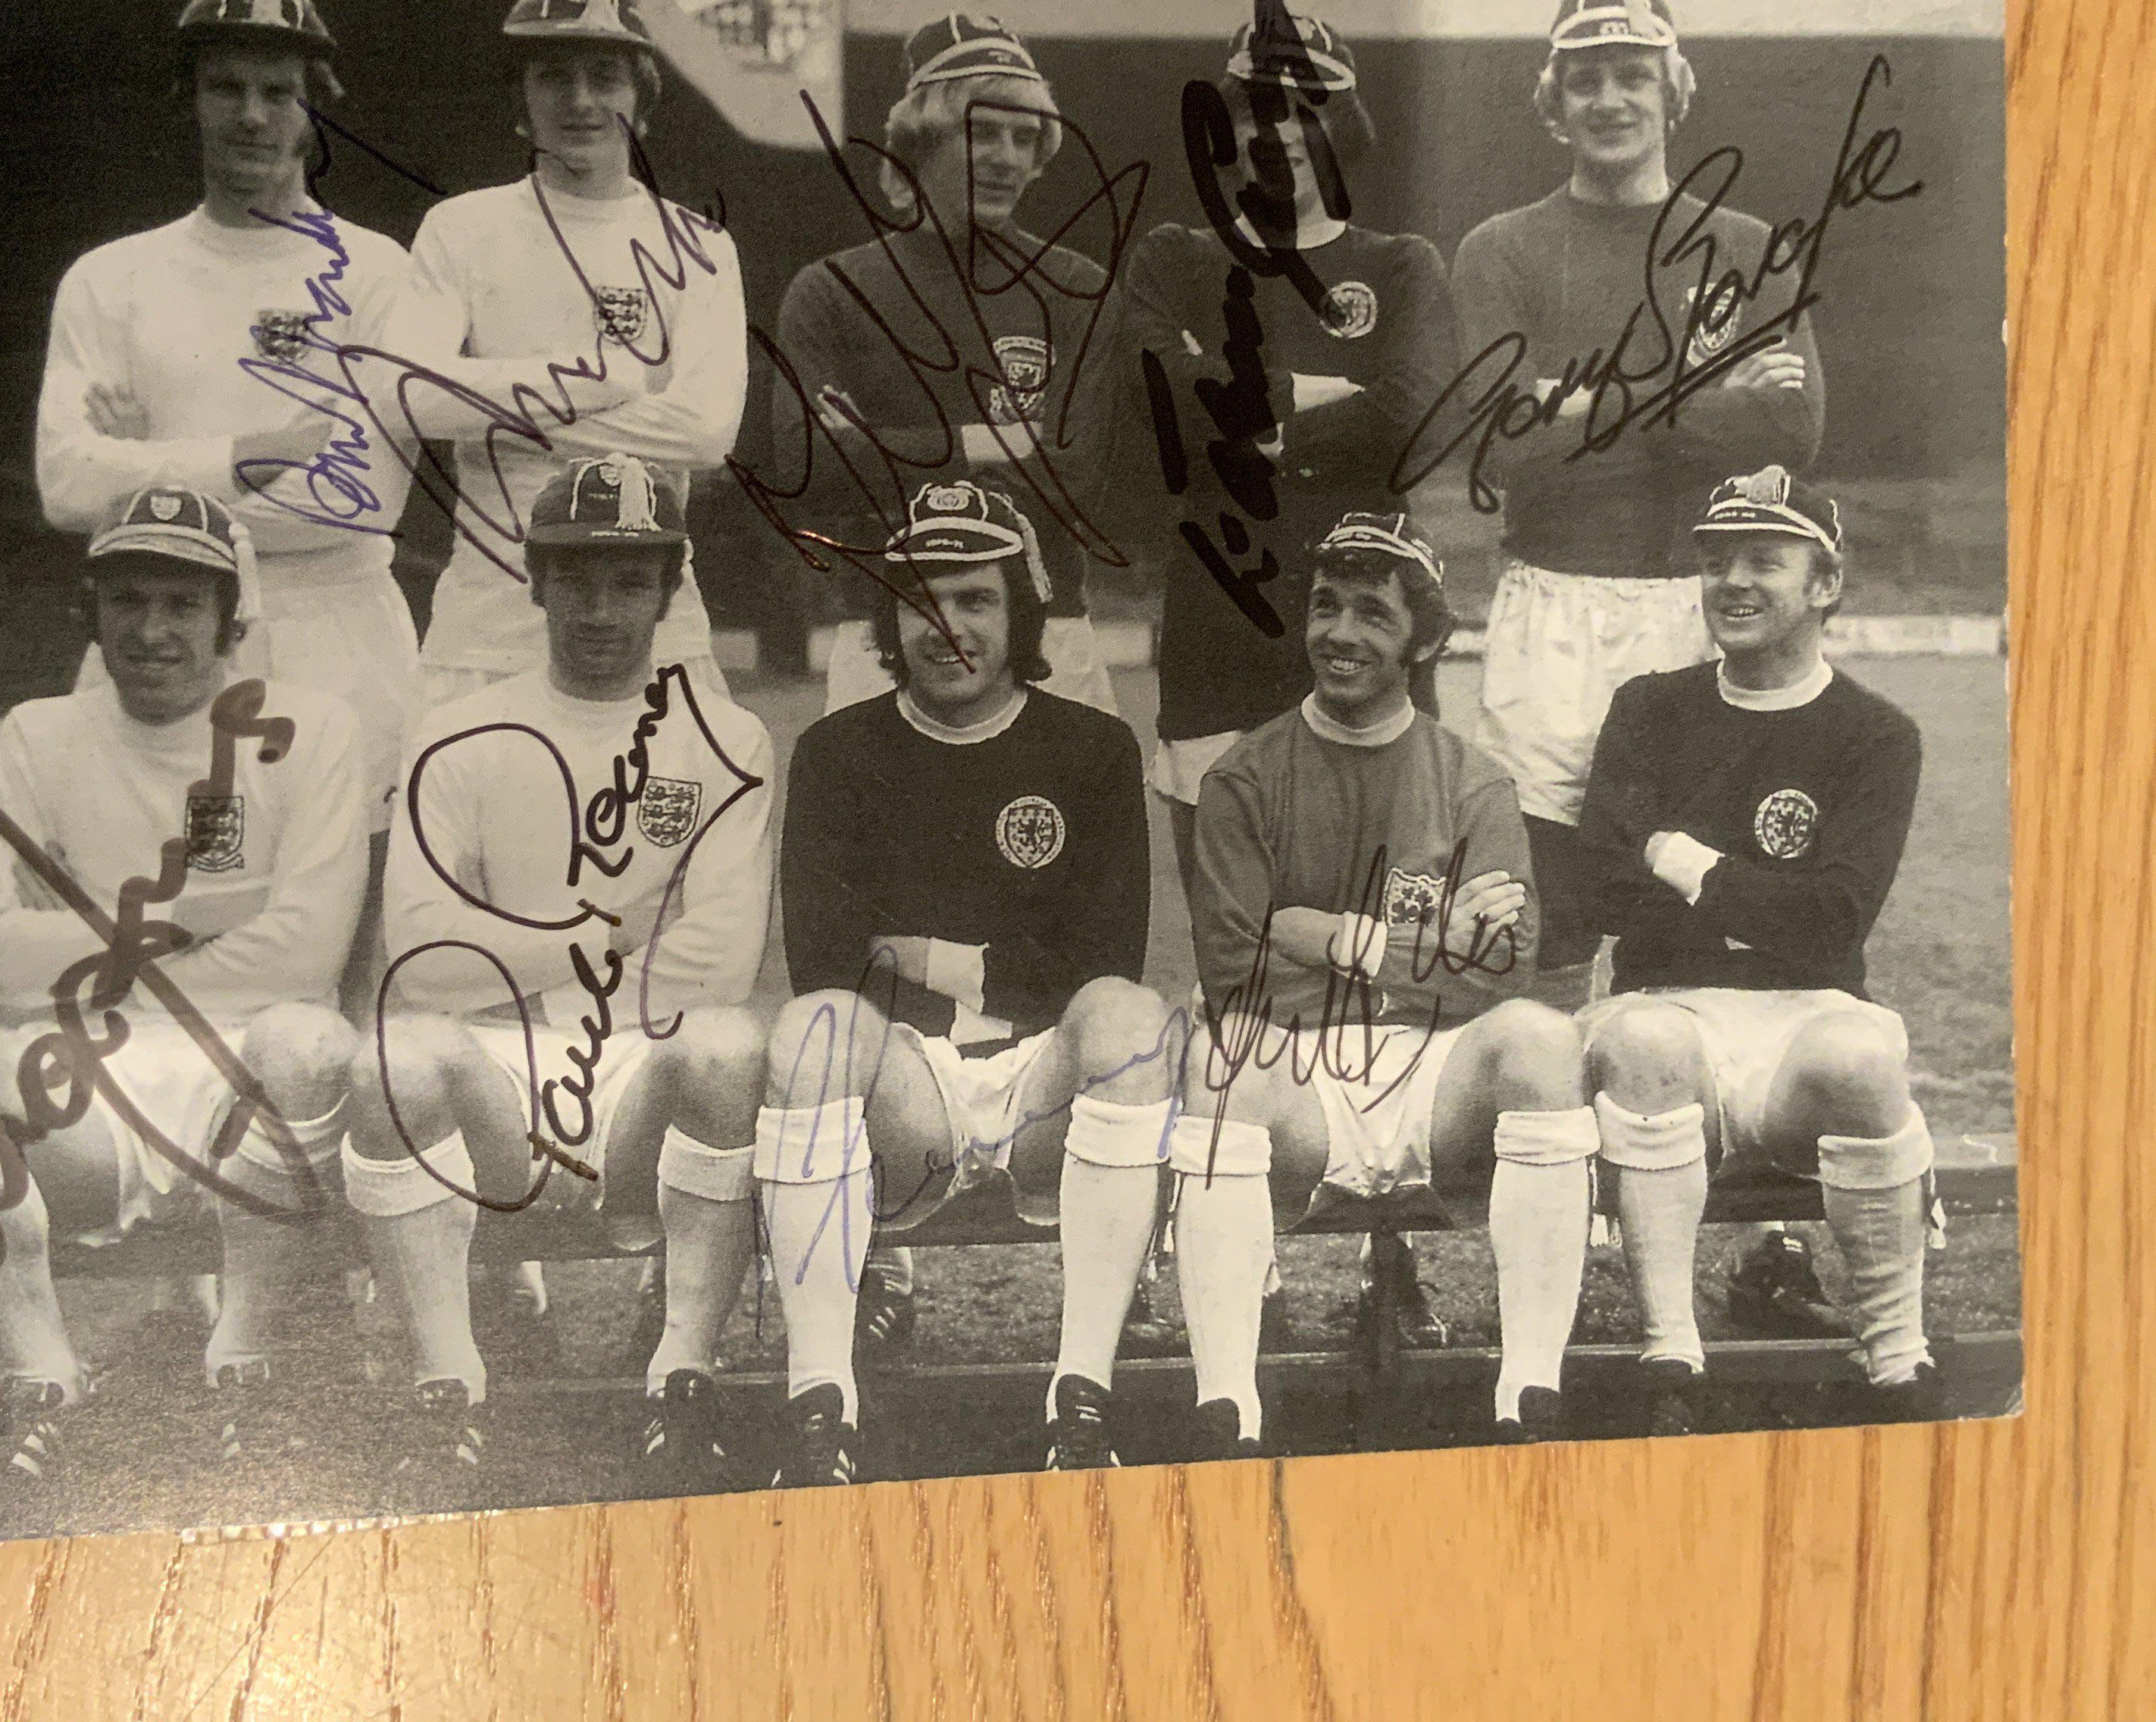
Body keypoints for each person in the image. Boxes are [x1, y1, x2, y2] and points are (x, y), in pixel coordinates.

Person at [0, 487, 365, 1514]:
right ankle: (46, 1392)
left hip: (266, 1093)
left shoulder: (309, 729)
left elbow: (310, 947)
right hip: (95, 1089)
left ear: (230, 619)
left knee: (308, 1037)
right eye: (128, 600)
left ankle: (249, 1361)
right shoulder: (39, 733)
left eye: (184, 605)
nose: (152, 632)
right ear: (89, 612)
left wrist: (106, 942)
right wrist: (210, 928)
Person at [343, 453, 775, 1501]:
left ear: (670, 589)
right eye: (575, 575)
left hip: (643, 1081)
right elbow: (423, 955)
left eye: (630, 580)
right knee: (393, 1056)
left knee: (727, 1045)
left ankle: (682, 1374)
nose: (598, 605)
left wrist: (515, 949)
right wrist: (609, 929)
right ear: (533, 580)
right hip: (502, 1075)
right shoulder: (457, 732)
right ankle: (449, 1383)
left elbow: (719, 962)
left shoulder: (725, 739)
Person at [756, 482, 1173, 1485]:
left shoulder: (1092, 749)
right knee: (816, 1027)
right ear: (889, 621)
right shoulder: (835, 752)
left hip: (1044, 1092)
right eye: (923, 602)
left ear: (1019, 614)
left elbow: (1104, 963)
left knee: (1129, 1018)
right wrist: (1001, 968)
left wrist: (925, 957)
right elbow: (827, 964)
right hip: (906, 1093)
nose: (951, 628)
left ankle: (1082, 1402)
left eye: (977, 600)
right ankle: (824, 1410)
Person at [1172, 514, 1600, 1453]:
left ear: (1423, 637)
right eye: (1326, 608)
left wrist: (1333, 935)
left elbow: (1507, 968)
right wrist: (1428, 945)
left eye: (1373, 613)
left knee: (1538, 1039)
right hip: (1296, 1082)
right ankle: (1228, 1413)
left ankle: (1530, 1397)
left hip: (1437, 1082)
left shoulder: (1474, 782)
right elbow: (1235, 971)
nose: (1341, 635)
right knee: (1216, 1061)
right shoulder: (1243, 778)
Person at [1448, 0, 1826, 1008]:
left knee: (1688, 900)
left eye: (1632, 74)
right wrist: (1705, 395)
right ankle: (1545, 1142)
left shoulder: (1747, 248)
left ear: (1674, 89)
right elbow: (1497, 442)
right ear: (1552, 102)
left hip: (1701, 605)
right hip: (1554, 607)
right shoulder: (1503, 250)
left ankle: (1665, 1137)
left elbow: (1794, 431)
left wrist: (1575, 408)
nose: (1610, 98)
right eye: (1586, 80)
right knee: (1550, 913)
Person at [1575, 468, 1939, 1426]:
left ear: (1825, 585)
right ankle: (1671, 1360)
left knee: (1866, 1051)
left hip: (1804, 1024)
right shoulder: (1649, 708)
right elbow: (1601, 886)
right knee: (1647, 1045)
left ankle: (1899, 1362)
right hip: (1664, 1011)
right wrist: (1758, 902)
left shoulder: (1876, 735)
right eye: (1716, 561)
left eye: (1763, 561)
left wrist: (1682, 858)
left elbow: (1835, 924)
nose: (1731, 581)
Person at [35, 0, 428, 818]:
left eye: (278, 92)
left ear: (314, 106)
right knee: (143, 922)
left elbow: (353, 500)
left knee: (338, 933)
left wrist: (143, 469)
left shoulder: (380, 274)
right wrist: (246, 456)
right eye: (225, 87)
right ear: (190, 98)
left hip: (337, 637)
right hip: (159, 635)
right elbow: (66, 483)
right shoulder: (113, 278)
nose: (252, 114)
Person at [1112, 3, 1457, 894]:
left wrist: (1231, 405)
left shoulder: (1400, 265)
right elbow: (1150, 409)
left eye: (1307, 108)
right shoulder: (1177, 259)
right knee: (1231, 919)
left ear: (1340, 126)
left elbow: (1415, 419)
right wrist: (1322, 396)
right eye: (1257, 108)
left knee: (1380, 920)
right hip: (1216, 623)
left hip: (1367, 616)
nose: (1282, 133)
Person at [763, 11, 1124, 716]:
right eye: (982, 131)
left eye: (1025, 138)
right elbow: (804, 462)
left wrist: (878, 446)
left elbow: (1077, 479)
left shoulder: (1078, 288)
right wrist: (982, 442)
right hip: (880, 634)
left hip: (1052, 636)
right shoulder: (833, 289)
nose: (1008, 157)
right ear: (922, 141)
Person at [408, 0, 747, 710]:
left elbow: (705, 434)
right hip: (487, 628)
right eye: (554, 75)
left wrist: (494, 403)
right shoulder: (461, 229)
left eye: (606, 76)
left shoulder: (697, 245)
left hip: (656, 629)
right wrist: (604, 381)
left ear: (643, 96)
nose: (582, 100)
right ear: (521, 99)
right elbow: (418, 400)